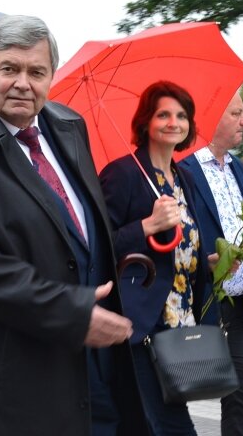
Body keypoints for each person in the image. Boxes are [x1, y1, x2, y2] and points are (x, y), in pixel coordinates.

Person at [0, 15, 145, 436]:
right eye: (9, 69)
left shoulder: (69, 127)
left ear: (51, 76)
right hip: (14, 378)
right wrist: (71, 314)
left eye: (36, 72)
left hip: (95, 367)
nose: (23, 83)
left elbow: (88, 233)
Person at [99, 81, 205, 435]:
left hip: (179, 323)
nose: (173, 122)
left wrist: (216, 258)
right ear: (146, 121)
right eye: (163, 114)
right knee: (166, 424)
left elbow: (187, 248)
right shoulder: (123, 173)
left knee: (159, 420)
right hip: (141, 323)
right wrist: (147, 225)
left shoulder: (184, 178)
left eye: (181, 115)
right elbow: (98, 245)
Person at [177, 92, 243, 436]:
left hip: (239, 304)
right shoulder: (183, 170)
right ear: (212, 117)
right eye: (237, 113)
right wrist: (203, 262)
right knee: (176, 391)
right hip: (198, 305)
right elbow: (173, 237)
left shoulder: (236, 168)